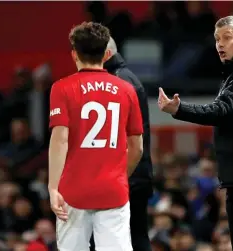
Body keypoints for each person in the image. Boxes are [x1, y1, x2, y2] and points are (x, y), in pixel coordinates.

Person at [158, 16, 233, 251]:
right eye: (217, 39)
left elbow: (222, 110)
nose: (220, 45)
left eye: (227, 38)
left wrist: (179, 108)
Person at [48, 21, 144, 251]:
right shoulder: (126, 90)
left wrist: (53, 188)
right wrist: (120, 176)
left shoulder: (61, 88)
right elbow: (137, 147)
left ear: (74, 54)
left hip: (73, 190)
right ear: (106, 53)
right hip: (113, 190)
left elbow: (60, 139)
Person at [101, 37, 153, 251]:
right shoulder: (122, 78)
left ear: (105, 55)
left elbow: (119, 136)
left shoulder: (120, 82)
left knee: (130, 238)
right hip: (132, 174)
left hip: (127, 175)